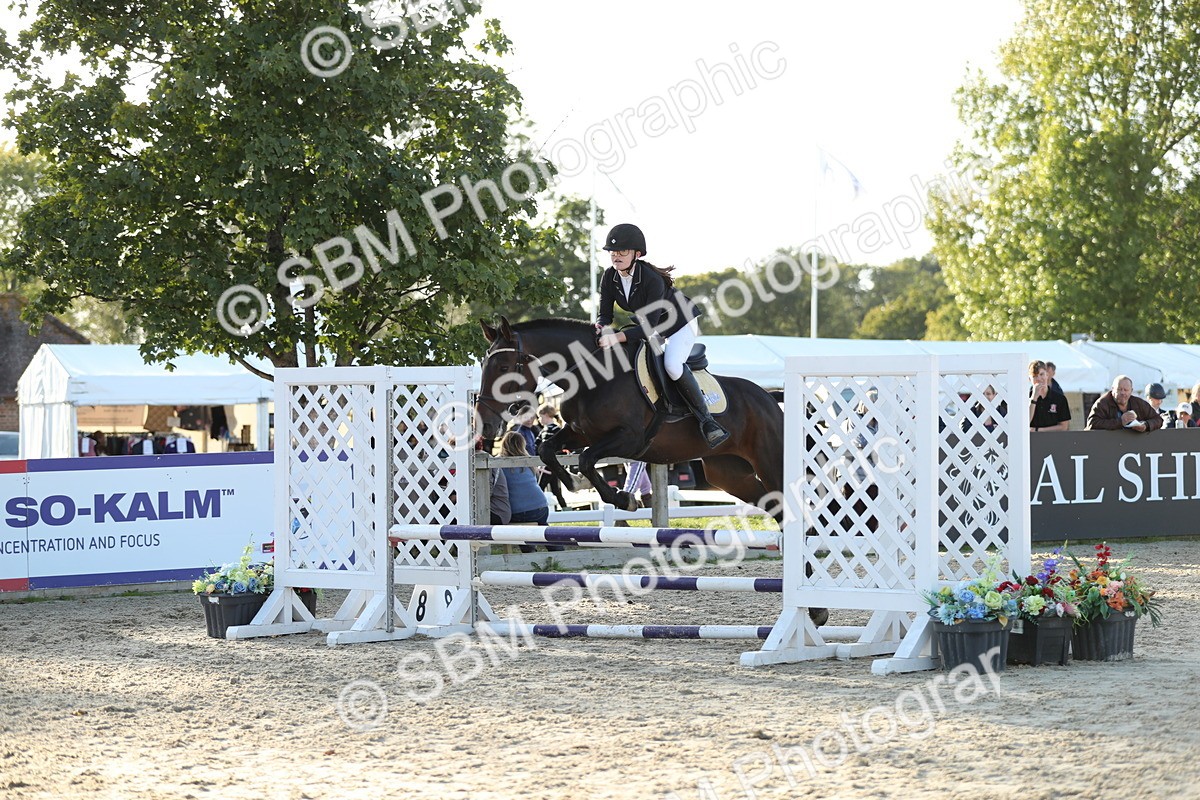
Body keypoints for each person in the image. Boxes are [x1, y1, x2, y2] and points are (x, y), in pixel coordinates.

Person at [596, 223, 729, 448]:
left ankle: (707, 421)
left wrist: (616, 338)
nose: (616, 256)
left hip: (679, 322)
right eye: (613, 252)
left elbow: (649, 329)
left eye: (622, 252)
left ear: (636, 254)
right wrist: (600, 328)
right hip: (652, 324)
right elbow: (605, 315)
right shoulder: (610, 277)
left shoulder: (650, 278)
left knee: (672, 365)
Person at [499, 431, 562, 553]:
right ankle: (556, 550)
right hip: (541, 506)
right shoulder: (528, 462)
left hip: (516, 511)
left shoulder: (498, 463)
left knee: (521, 529)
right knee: (542, 527)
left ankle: (529, 552)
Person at [1086, 375, 1163, 432]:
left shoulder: (1138, 403)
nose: (1122, 393)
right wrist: (1120, 422)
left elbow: (1158, 420)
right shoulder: (1102, 403)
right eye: (1119, 389)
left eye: (1126, 390)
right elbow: (1092, 424)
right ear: (1112, 389)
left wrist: (1146, 425)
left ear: (1131, 391)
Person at [535, 404, 569, 509]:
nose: (539, 420)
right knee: (556, 490)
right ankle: (565, 509)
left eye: (540, 417)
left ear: (546, 415)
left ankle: (538, 507)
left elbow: (562, 445)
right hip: (546, 463)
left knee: (540, 487)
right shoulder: (543, 430)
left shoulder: (555, 429)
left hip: (550, 463)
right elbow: (536, 444)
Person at [1028, 360, 1071, 432]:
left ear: (1047, 375)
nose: (1039, 379)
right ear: (1029, 379)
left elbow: (1064, 426)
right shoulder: (1024, 398)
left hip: (1054, 440)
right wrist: (1034, 398)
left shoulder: (1059, 398)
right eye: (1035, 376)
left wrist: (1038, 430)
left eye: (1041, 374)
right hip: (1031, 441)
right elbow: (1025, 422)